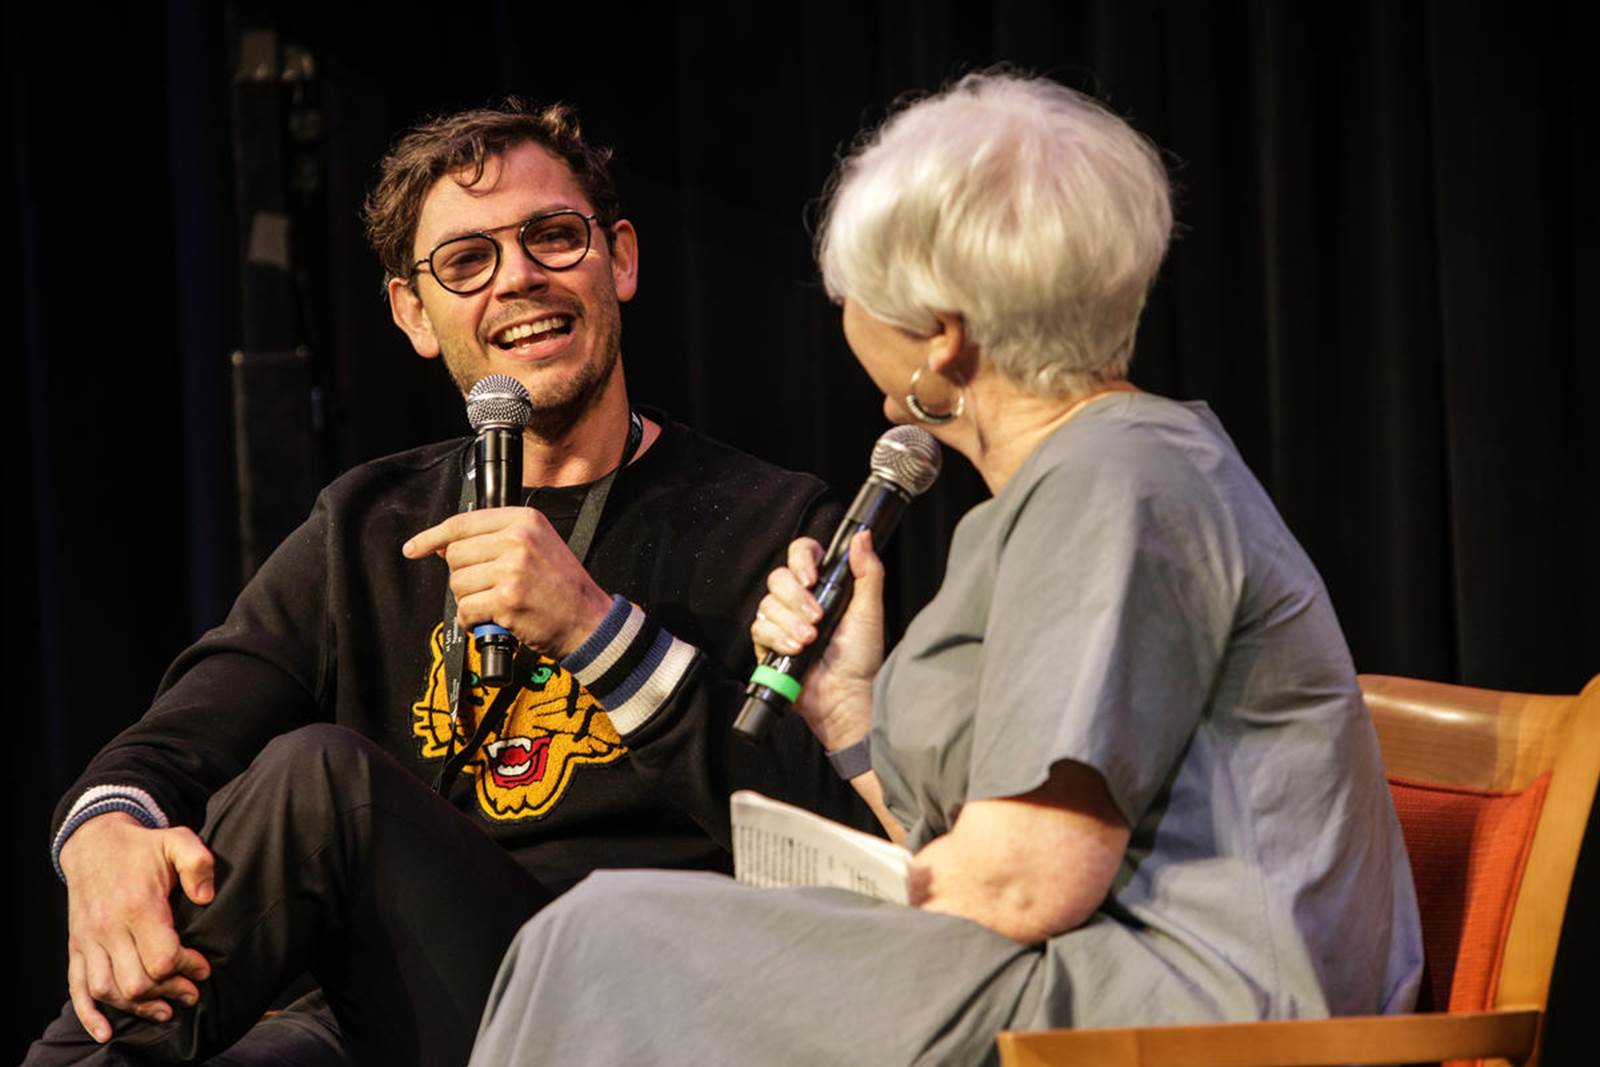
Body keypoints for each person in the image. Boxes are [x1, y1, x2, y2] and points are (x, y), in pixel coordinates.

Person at [465, 72, 1425, 1066]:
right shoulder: (1074, 483)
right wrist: (848, 708)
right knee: (614, 940)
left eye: (857, 291)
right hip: (1084, 981)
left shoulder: (1115, 479)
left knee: (606, 938)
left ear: (943, 340)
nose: (842, 312)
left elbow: (1023, 883)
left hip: (1188, 1011)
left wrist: (809, 922)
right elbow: (990, 856)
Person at [28, 100, 872, 1066]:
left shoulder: (775, 520)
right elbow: (178, 737)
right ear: (413, 315)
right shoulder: (369, 521)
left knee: (323, 782)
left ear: (621, 259)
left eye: (554, 237)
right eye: (468, 260)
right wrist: (104, 831)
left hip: (625, 1006)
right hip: (380, 1012)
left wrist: (596, 631)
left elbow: (838, 834)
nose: (518, 277)